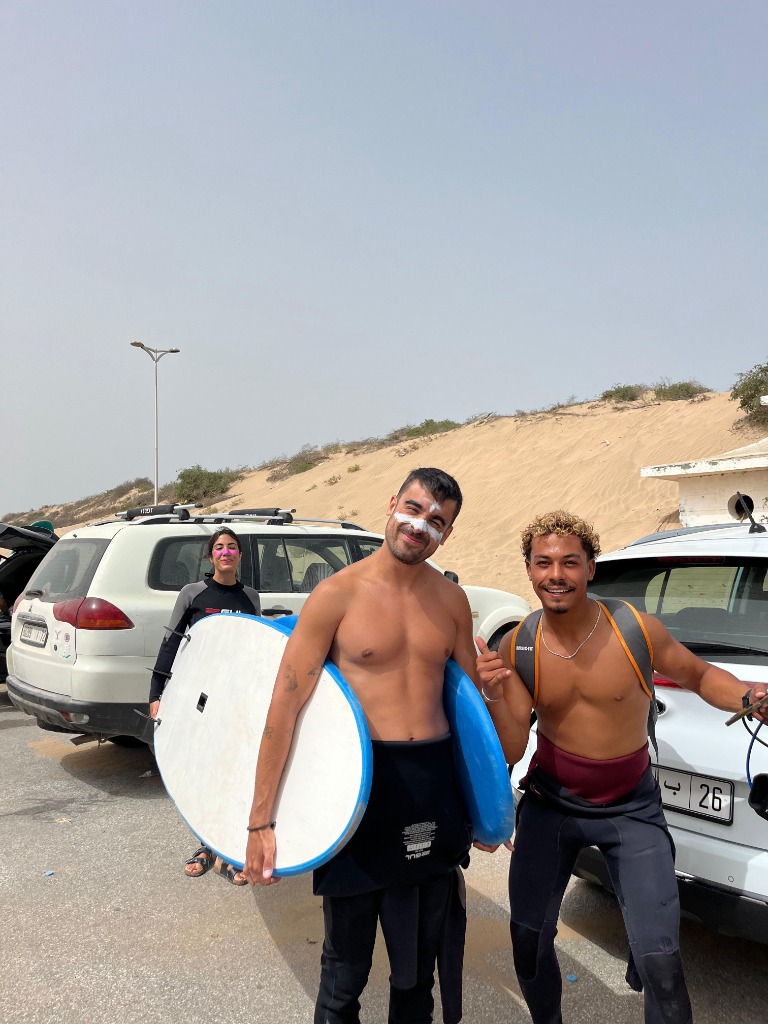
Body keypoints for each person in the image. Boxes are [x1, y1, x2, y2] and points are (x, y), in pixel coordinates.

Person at [476, 510, 768, 1024]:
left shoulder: (634, 629)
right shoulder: (519, 642)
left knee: (662, 964)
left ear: (591, 567)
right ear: (529, 570)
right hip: (550, 806)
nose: (556, 574)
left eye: (570, 562)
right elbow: (512, 747)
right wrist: (494, 693)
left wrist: (747, 695)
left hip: (631, 811)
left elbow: (700, 676)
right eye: (543, 563)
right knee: (527, 943)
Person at [244, 468, 483, 1024]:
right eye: (414, 509)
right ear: (392, 502)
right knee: (343, 975)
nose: (420, 526)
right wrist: (260, 822)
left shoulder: (452, 601)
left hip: (432, 796)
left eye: (437, 521)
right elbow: (284, 708)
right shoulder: (336, 595)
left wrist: (485, 811)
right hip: (358, 793)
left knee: (416, 977)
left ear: (447, 533)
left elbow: (469, 713)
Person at [149, 527, 261, 885]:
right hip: (199, 698)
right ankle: (206, 845)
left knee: (233, 770)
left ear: (239, 555)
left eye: (232, 547)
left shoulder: (250, 597)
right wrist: (156, 693)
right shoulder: (193, 593)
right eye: (219, 547)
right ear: (211, 556)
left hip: (236, 698)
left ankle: (228, 852)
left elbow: (254, 650)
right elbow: (170, 642)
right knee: (203, 771)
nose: (226, 552)